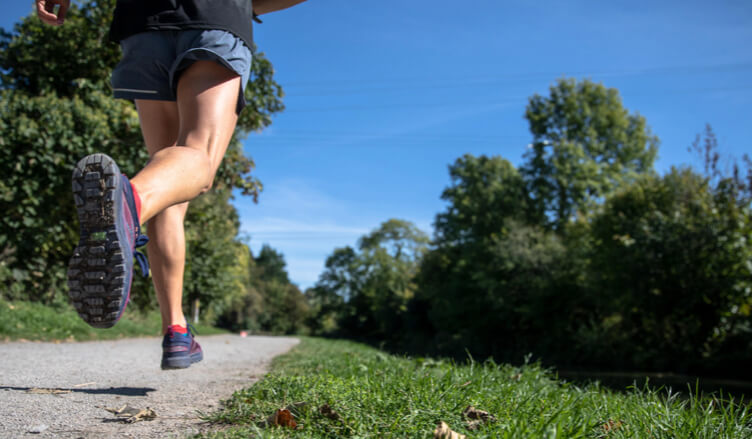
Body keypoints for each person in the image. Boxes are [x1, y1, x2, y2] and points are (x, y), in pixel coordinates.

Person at [36, 0, 306, 369]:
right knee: (197, 155)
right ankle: (128, 202)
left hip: (143, 22)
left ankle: (176, 328)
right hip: (214, 18)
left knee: (166, 178)